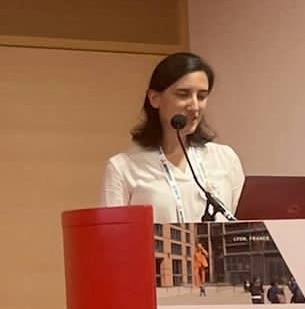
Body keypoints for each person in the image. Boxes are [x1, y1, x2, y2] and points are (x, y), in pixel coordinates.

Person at [101, 52, 245, 223]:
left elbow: (243, 225)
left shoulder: (225, 158)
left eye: (201, 96)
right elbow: (113, 237)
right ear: (155, 99)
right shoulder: (123, 168)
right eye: (183, 94)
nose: (194, 106)